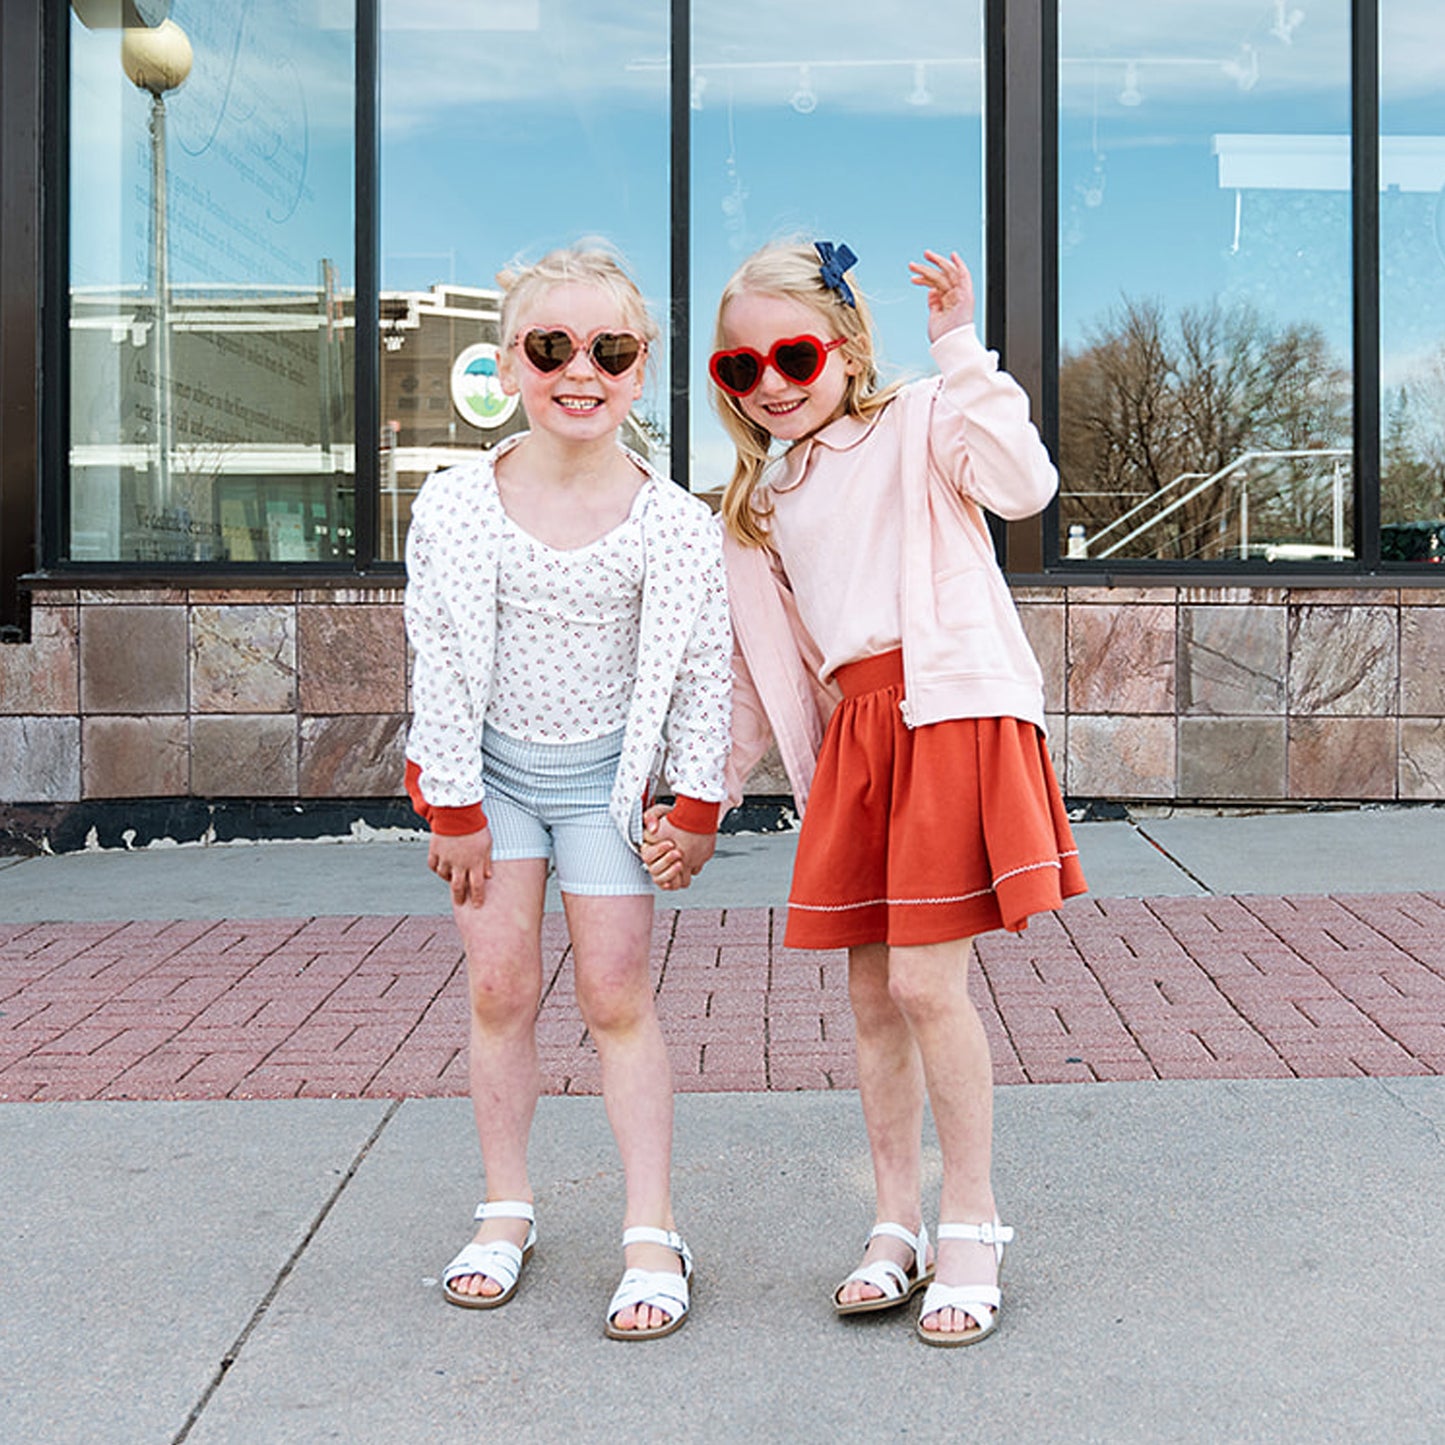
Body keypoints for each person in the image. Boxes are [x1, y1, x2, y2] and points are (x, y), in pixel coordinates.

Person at [645, 239, 1085, 1347]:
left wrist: (957, 343)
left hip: (943, 712)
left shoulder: (921, 419)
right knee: (872, 999)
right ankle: (893, 1221)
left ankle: (971, 1221)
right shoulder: (754, 505)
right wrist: (702, 803)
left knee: (932, 987)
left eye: (792, 353)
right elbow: (757, 678)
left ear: (844, 347)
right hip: (856, 743)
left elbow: (1024, 484)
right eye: (738, 369)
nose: (771, 383)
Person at [404, 244, 730, 1340]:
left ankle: (652, 1225)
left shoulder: (676, 524)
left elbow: (697, 666)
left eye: (608, 348)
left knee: (614, 993)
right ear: (509, 364)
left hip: (603, 784)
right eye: (551, 346)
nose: (578, 369)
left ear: (641, 370)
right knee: (499, 984)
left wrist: (692, 804)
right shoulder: (456, 505)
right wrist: (450, 802)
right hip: (490, 778)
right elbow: (437, 653)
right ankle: (506, 1206)